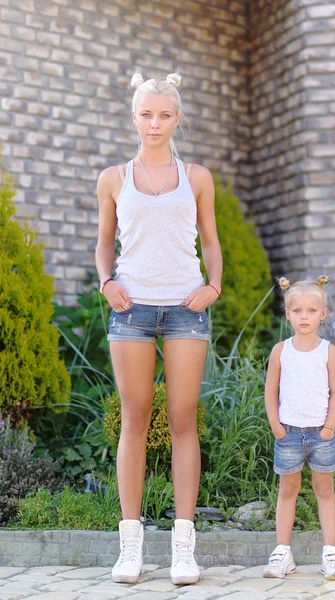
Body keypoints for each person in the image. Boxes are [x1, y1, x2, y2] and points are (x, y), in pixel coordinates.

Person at [95, 72, 222, 586]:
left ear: (176, 119)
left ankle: (183, 549)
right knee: (135, 419)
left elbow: (210, 240)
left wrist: (214, 284)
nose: (155, 123)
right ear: (134, 118)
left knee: (184, 419)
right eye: (147, 114)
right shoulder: (112, 178)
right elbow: (105, 242)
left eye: (164, 115)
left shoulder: (197, 177)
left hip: (186, 309)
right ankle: (130, 547)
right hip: (132, 310)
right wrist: (106, 281)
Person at [264, 276, 335, 581]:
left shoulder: (329, 352)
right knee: (288, 491)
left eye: (311, 311)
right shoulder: (280, 351)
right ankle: (283, 552)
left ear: (322, 313)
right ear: (287, 314)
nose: (304, 317)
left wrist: (329, 427)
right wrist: (275, 424)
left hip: (320, 435)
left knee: (325, 490)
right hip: (288, 433)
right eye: (297, 311)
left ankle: (331, 554)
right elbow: (270, 390)